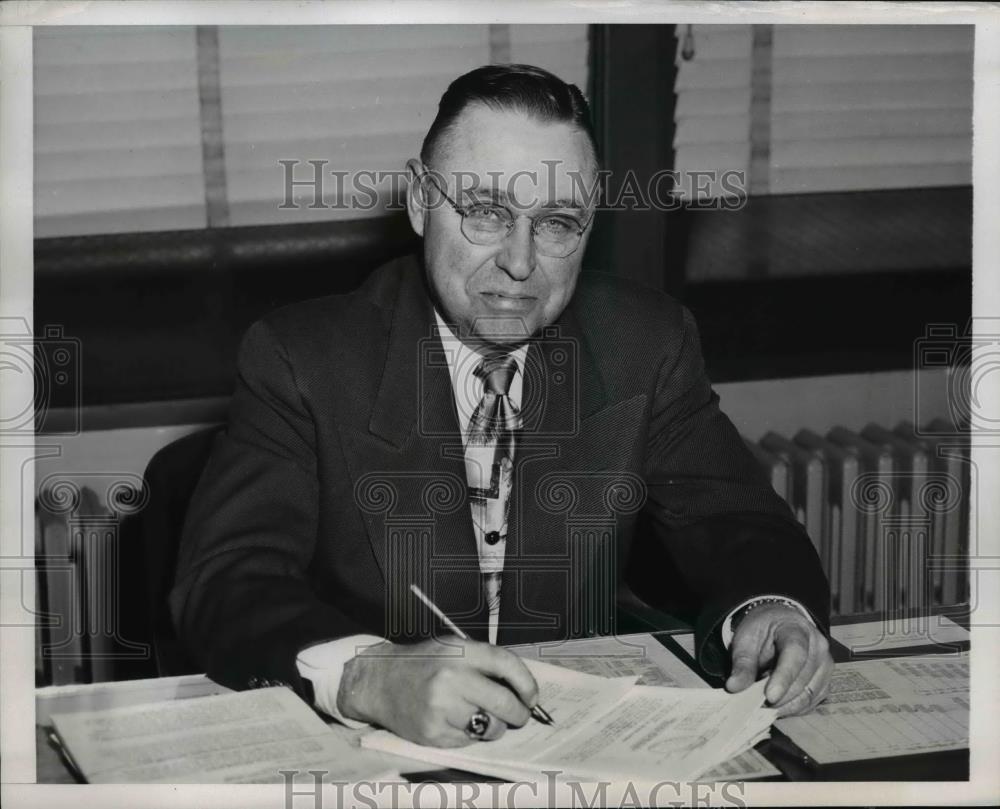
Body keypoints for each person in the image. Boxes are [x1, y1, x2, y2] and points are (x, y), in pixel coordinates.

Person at [170, 64, 833, 749]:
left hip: (580, 745)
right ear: (423, 202)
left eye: (556, 223)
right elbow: (225, 581)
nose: (520, 263)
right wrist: (370, 674)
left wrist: (772, 608)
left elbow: (739, 521)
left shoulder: (645, 343)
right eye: (486, 212)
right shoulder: (303, 356)